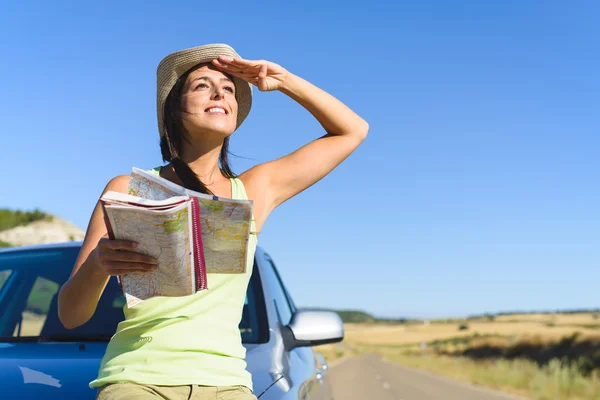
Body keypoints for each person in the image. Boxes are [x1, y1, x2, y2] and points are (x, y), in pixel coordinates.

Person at [57, 43, 369, 400]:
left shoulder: (254, 190)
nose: (220, 91)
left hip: (227, 384)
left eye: (229, 87)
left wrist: (283, 80)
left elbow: (352, 131)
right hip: (137, 379)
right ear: (174, 108)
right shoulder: (128, 189)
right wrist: (98, 265)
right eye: (202, 84)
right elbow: (70, 315)